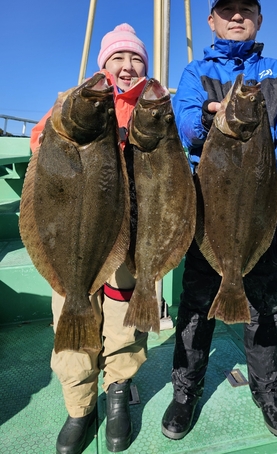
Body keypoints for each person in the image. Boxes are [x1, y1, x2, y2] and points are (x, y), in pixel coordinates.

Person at [161, 0, 277, 441]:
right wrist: (207, 115)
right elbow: (186, 125)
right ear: (213, 21)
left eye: (246, 10)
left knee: (266, 305)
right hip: (212, 209)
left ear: (258, 20)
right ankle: (185, 393)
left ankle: (268, 393)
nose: (237, 16)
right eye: (228, 10)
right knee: (196, 305)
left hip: (263, 207)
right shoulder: (195, 71)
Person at [30, 23, 150, 454]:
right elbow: (40, 139)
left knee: (124, 324)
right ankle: (80, 406)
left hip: (128, 239)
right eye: (118, 58)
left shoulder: (152, 108)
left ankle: (117, 392)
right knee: (71, 314)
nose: (128, 66)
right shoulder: (73, 100)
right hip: (72, 235)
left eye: (136, 58)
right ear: (103, 65)